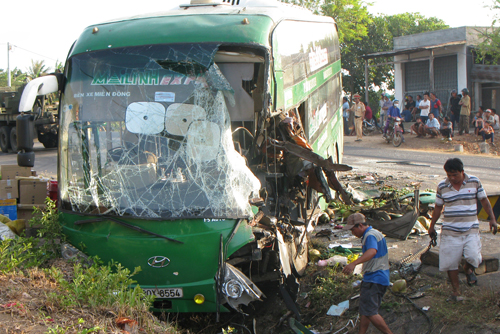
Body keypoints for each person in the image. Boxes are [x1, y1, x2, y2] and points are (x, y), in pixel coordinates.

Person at [428, 158, 497, 301]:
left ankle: (467, 268)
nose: (452, 178)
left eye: (455, 175)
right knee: (450, 262)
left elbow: (484, 201)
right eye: (449, 175)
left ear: (462, 172)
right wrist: (431, 225)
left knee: (474, 257)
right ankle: (456, 290)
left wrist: (492, 219)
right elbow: (438, 208)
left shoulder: (474, 182)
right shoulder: (442, 186)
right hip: (450, 231)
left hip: (471, 228)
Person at [342, 213, 393, 334]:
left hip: (374, 278)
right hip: (380, 277)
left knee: (371, 313)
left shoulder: (370, 236)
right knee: (366, 311)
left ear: (360, 225)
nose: (352, 233)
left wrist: (353, 263)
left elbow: (371, 252)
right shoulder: (375, 233)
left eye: (353, 229)